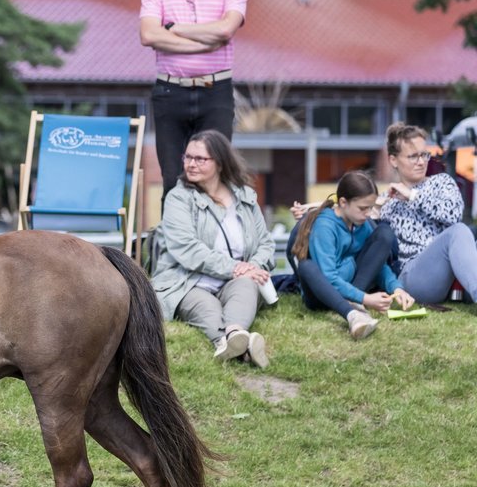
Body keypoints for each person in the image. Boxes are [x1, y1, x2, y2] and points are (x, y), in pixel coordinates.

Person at [139, 0, 248, 201]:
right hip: (170, 91)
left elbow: (227, 29)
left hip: (216, 91)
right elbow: (148, 34)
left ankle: (213, 248)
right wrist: (208, 40)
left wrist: (175, 28)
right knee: (173, 181)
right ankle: (172, 248)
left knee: (214, 179)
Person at [149, 130, 274, 367]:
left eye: (200, 159)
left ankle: (235, 334)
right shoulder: (178, 198)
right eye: (187, 157)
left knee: (247, 285)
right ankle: (232, 342)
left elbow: (265, 243)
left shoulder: (245, 196)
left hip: (236, 279)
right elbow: (188, 249)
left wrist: (252, 269)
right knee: (205, 306)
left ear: (219, 163)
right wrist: (237, 266)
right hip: (188, 280)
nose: (191, 164)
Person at [289, 171, 414, 339]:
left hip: (353, 286)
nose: (368, 213)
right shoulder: (324, 227)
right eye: (363, 208)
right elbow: (329, 278)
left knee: (384, 232)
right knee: (306, 266)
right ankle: (351, 313)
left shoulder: (361, 223)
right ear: (343, 202)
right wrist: (366, 298)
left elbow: (377, 263)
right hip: (323, 295)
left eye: (371, 207)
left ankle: (354, 303)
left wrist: (396, 287)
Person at [380, 122, 477, 303]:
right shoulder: (386, 200)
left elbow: (453, 215)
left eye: (424, 154)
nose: (422, 161)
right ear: (393, 160)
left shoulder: (441, 182)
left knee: (460, 230)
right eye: (413, 156)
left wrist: (413, 196)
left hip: (447, 270)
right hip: (412, 277)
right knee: (459, 231)